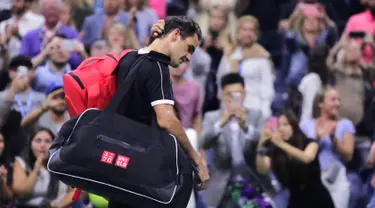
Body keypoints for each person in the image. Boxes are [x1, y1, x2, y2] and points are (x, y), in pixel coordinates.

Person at [109, 16, 209, 208]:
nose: (188, 57)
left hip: (118, 166)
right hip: (140, 170)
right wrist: (196, 159)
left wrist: (153, 42)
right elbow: (166, 120)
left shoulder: (129, 58)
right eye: (189, 48)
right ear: (176, 34)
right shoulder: (158, 68)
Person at [256, 110, 334, 208]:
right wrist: (260, 147)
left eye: (285, 124)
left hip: (318, 200)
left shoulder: (309, 143)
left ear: (294, 126)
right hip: (296, 201)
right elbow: (262, 169)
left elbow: (306, 158)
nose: (281, 129)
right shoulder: (275, 152)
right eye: (278, 126)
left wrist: (280, 143)